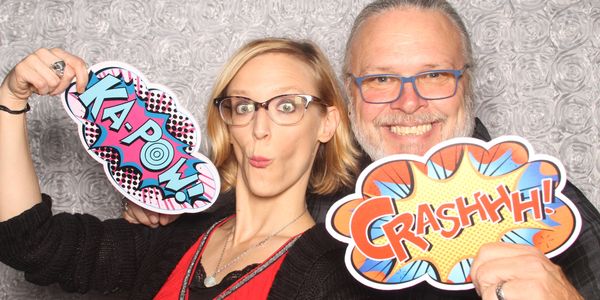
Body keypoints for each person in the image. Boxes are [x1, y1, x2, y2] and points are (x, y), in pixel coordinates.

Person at [124, 1, 600, 299]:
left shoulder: (547, 201)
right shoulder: (321, 195)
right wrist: (159, 204)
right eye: (380, 79)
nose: (408, 103)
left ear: (467, 83)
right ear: (349, 96)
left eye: (434, 75)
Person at [0, 38, 372, 299]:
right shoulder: (173, 236)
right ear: (226, 121)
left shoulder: (337, 278)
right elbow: (33, 245)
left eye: (287, 106)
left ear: (327, 124)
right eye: (243, 106)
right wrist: (11, 98)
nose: (260, 129)